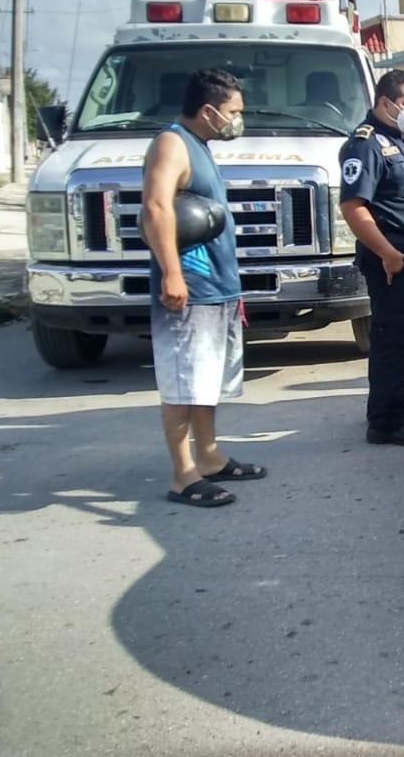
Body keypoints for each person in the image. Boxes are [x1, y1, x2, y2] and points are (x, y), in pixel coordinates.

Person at [141, 68, 265, 509]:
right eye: (233, 112)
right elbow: (155, 208)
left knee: (207, 382)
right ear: (209, 110)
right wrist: (172, 273)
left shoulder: (201, 145)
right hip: (190, 288)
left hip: (218, 287)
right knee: (182, 383)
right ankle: (182, 474)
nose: (237, 120)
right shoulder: (171, 143)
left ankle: (209, 456)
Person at [339, 70, 404, 447]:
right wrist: (388, 253)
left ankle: (394, 404)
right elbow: (353, 207)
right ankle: (383, 422)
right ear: (386, 103)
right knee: (391, 336)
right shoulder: (365, 144)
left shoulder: (403, 139)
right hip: (391, 254)